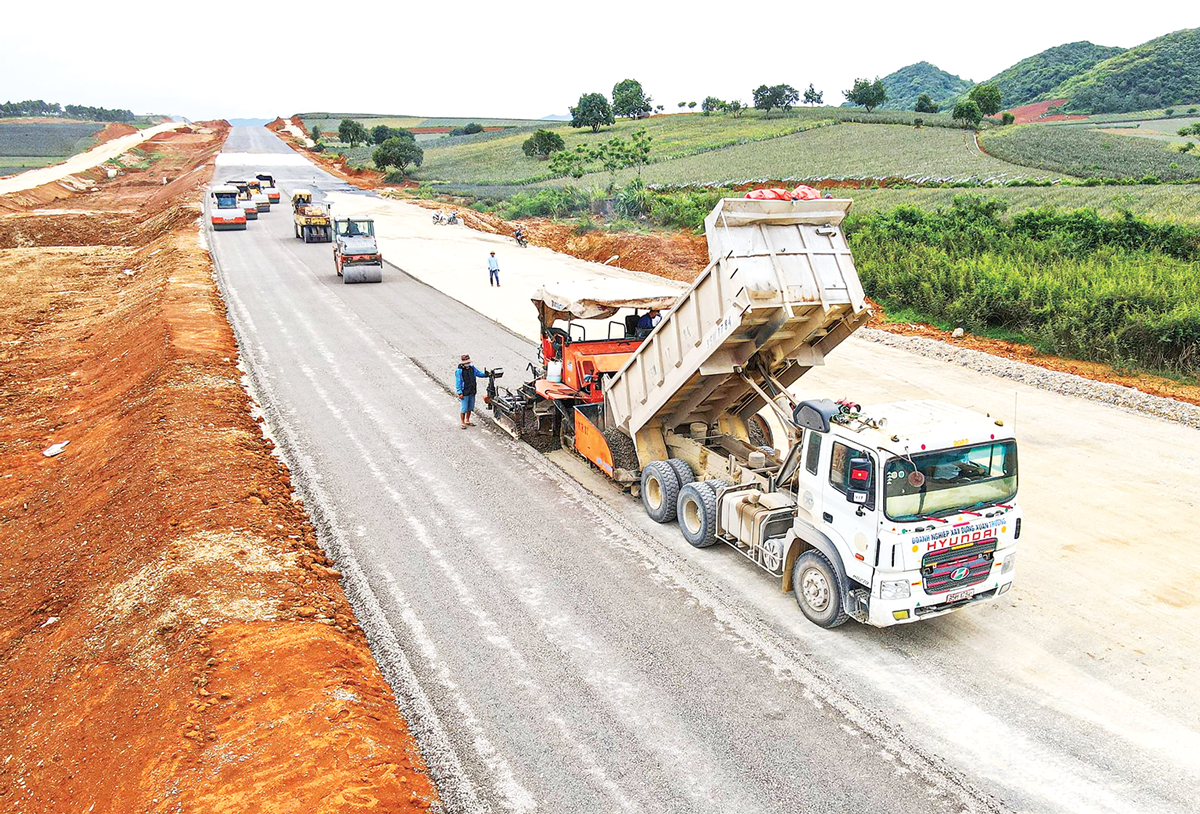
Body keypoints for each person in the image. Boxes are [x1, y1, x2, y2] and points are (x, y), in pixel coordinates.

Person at [455, 354, 488, 429]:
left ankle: (467, 420)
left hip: (472, 391)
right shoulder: (459, 371)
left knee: (470, 407)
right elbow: (458, 382)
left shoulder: (472, 368)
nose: (468, 364)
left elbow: (478, 373)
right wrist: (459, 392)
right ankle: (462, 422)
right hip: (464, 392)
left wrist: (486, 374)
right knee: (464, 408)